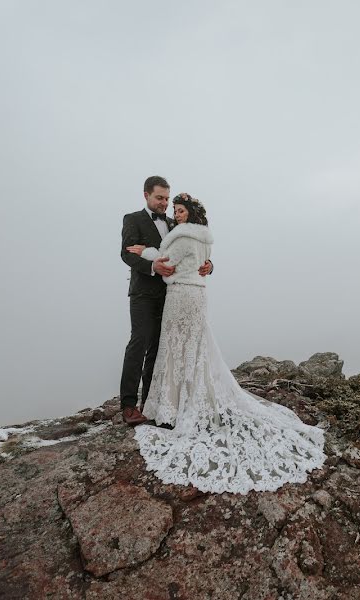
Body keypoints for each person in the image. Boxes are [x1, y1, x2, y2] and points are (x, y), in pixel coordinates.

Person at [127, 194, 326, 494]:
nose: (174, 213)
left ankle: (175, 406)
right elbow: (203, 261)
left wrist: (146, 252)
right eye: (172, 208)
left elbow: (168, 260)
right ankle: (182, 399)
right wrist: (204, 265)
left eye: (179, 209)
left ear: (189, 214)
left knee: (176, 350)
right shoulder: (204, 236)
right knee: (194, 349)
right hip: (197, 295)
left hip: (181, 296)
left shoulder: (181, 234)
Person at [118, 176, 212, 426]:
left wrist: (209, 265)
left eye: (167, 199)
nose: (164, 203)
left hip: (172, 296)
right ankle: (128, 406)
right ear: (146, 195)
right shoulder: (133, 219)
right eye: (159, 198)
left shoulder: (175, 224)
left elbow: (190, 253)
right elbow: (126, 255)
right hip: (143, 294)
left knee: (160, 350)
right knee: (139, 343)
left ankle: (151, 401)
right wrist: (151, 266)